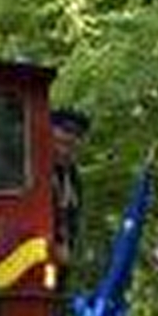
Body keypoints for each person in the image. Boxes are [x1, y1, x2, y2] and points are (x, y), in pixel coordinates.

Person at [51, 108, 89, 267]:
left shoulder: (72, 178)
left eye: (77, 135)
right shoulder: (31, 169)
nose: (71, 138)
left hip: (62, 259)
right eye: (65, 131)